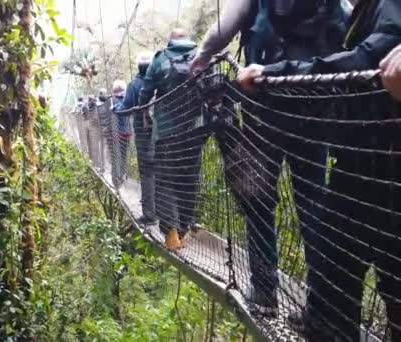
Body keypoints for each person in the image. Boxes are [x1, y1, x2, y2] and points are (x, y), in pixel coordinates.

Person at [238, 0, 401, 339]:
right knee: (331, 273)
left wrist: (275, 74)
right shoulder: (355, 13)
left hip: (384, 174)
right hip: (351, 164)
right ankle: (319, 317)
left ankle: (275, 296)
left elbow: (364, 60)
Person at [189, 0, 350, 316]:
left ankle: (264, 294)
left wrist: (202, 58)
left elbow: (222, 30)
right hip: (313, 105)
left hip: (263, 107)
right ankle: (322, 307)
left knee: (259, 200)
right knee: (314, 205)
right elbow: (347, 22)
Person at [139, 28, 206, 250]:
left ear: (170, 42)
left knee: (166, 181)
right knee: (189, 180)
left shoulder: (160, 59)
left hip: (167, 134)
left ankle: (171, 234)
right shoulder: (202, 55)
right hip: (196, 131)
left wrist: (145, 114)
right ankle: (184, 230)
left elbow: (145, 92)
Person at [119, 52, 156, 223]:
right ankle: (167, 215)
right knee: (163, 172)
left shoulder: (134, 85)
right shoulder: (160, 81)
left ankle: (150, 215)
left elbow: (125, 107)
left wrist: (116, 108)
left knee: (147, 172)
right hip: (164, 132)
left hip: (143, 135)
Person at [110, 80, 131, 188]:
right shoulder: (127, 100)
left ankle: (116, 178)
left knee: (115, 156)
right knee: (123, 156)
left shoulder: (112, 101)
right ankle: (121, 176)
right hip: (126, 133)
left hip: (116, 133)